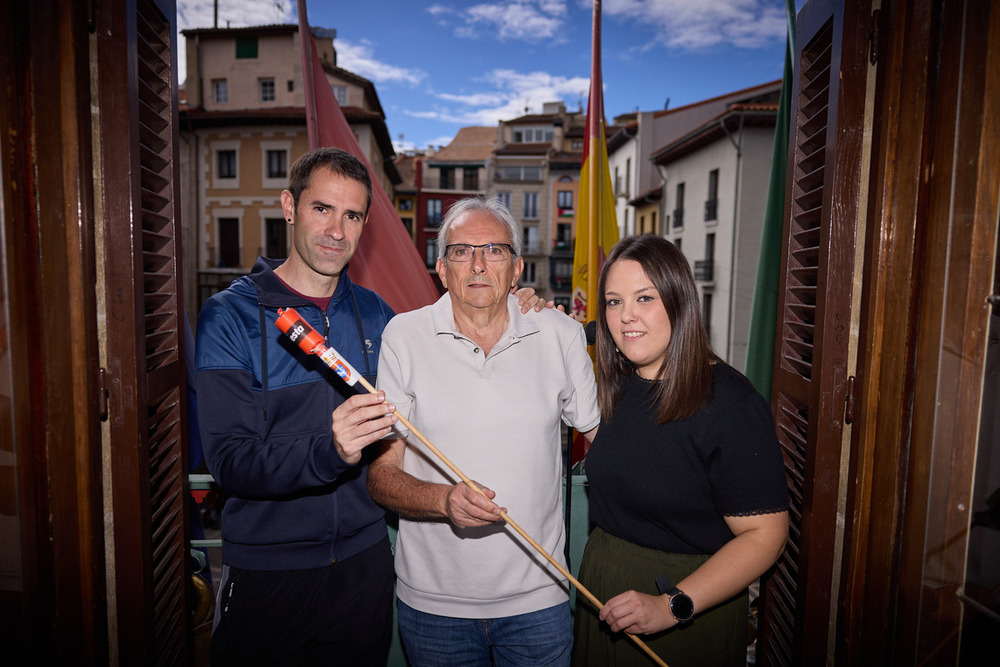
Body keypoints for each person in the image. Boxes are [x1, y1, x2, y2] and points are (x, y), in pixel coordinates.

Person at [196, 148, 550, 666]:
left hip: (364, 572)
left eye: (352, 215)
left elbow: (452, 351)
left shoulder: (380, 315)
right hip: (269, 574)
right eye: (322, 209)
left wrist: (516, 305)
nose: (337, 230)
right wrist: (329, 450)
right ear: (289, 206)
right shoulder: (230, 315)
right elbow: (229, 461)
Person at [364, 195, 600, 666]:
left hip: (540, 601)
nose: (477, 264)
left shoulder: (560, 334)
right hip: (433, 607)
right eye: (460, 251)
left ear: (516, 270)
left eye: (494, 250)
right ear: (441, 268)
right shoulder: (403, 336)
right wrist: (443, 501)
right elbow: (381, 477)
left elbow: (607, 442)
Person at [572, 235, 789, 666]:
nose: (626, 316)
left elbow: (766, 536)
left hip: (682, 611)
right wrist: (531, 310)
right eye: (613, 302)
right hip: (602, 597)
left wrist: (670, 605)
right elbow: (575, 329)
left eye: (645, 298)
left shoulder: (730, 404)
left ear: (680, 301)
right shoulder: (625, 384)